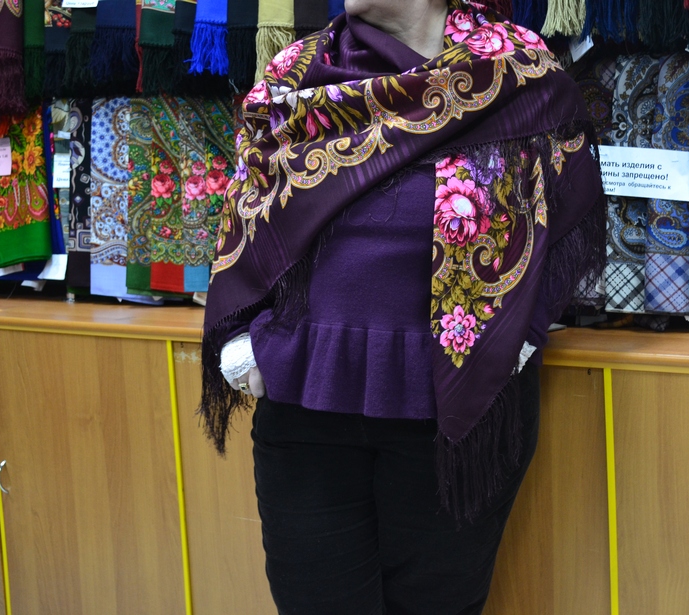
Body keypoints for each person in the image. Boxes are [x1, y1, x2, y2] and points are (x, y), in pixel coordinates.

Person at [199, 0, 605, 611]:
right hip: (308, 408)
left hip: (456, 410)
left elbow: (570, 208)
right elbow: (247, 210)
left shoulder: (514, 68)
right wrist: (244, 338)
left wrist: (521, 334)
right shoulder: (296, 76)